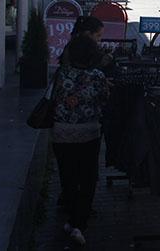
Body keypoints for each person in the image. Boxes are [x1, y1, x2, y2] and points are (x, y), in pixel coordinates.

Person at [52, 16, 110, 247]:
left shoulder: (62, 74)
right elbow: (105, 100)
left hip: (61, 133)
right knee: (87, 177)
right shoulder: (95, 76)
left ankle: (71, 215)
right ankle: (79, 223)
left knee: (67, 175)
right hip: (88, 134)